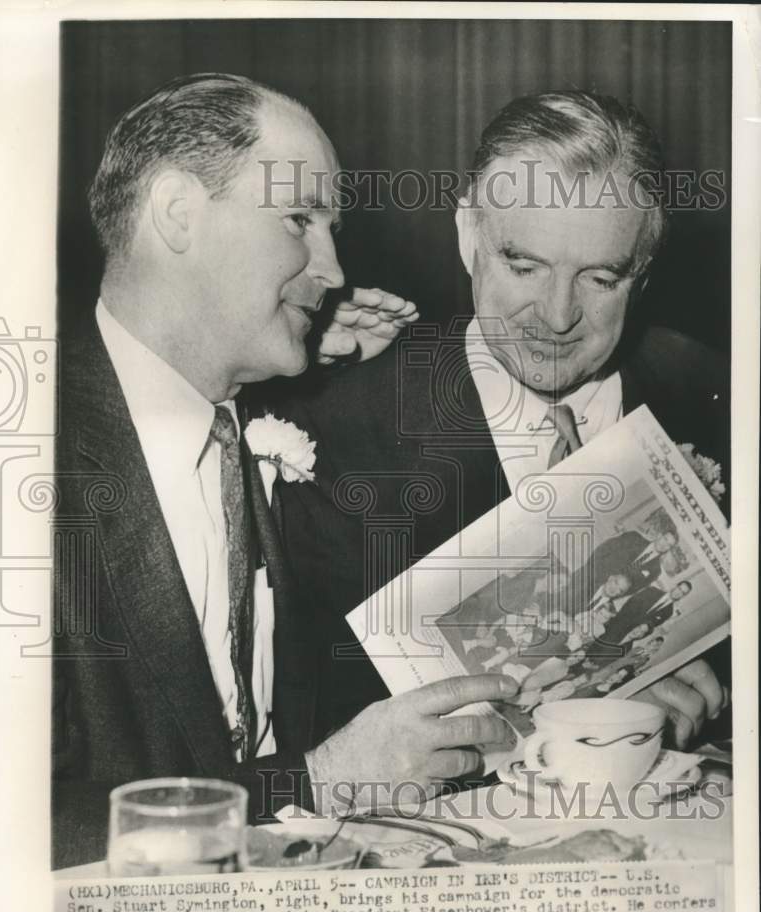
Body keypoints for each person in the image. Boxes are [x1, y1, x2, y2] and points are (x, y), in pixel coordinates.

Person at [52, 73, 519, 868]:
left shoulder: (270, 412)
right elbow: (21, 832)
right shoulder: (23, 459)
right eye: (300, 219)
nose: (334, 271)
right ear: (176, 214)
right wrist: (322, 781)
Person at [276, 90, 730, 748]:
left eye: (602, 278)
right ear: (469, 235)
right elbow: (324, 737)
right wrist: (597, 695)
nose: (555, 316)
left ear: (646, 271)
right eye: (524, 265)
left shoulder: (719, 394)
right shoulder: (338, 433)